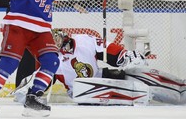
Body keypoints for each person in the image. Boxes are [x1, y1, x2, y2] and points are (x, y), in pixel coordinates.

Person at [13, 29, 147, 102]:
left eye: (57, 39)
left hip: (99, 78)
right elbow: (43, 77)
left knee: (124, 74)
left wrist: (127, 56)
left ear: (65, 37)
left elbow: (109, 50)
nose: (56, 43)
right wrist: (28, 88)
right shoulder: (52, 59)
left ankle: (144, 84)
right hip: (79, 91)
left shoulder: (84, 40)